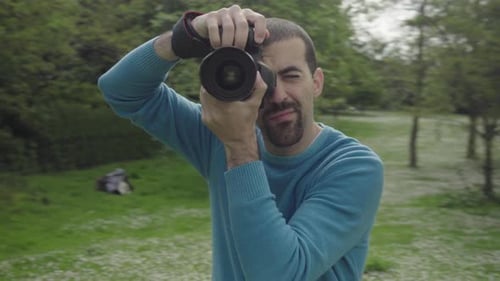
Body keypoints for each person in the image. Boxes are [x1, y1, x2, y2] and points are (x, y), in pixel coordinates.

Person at [98, 5, 383, 281]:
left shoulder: (353, 166)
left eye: (291, 76)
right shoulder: (219, 135)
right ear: (240, 81)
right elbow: (120, 90)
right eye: (263, 78)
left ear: (317, 82)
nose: (278, 94)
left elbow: (280, 274)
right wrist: (186, 37)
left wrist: (239, 147)